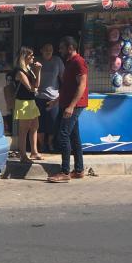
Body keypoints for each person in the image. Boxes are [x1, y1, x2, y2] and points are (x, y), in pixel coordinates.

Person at [47, 36, 88, 182]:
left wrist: (71, 106)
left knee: (63, 135)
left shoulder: (79, 62)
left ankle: (65, 172)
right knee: (74, 137)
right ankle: (79, 170)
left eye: (62, 48)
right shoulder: (70, 62)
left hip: (74, 105)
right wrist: (56, 101)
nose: (60, 50)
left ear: (70, 48)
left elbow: (82, 85)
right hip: (67, 104)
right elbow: (67, 87)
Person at [12, 46, 42, 163]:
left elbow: (37, 85)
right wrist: (35, 88)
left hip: (31, 101)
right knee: (23, 130)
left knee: (35, 126)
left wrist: (38, 71)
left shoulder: (29, 68)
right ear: (24, 56)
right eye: (31, 55)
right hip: (23, 102)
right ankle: (23, 155)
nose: (33, 57)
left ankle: (34, 152)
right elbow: (31, 88)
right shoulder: (20, 71)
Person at [35, 43, 64, 153]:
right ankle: (42, 145)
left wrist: (62, 93)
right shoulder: (36, 61)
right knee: (40, 124)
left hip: (53, 97)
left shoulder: (57, 61)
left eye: (51, 49)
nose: (48, 51)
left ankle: (50, 144)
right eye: (46, 49)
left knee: (53, 123)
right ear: (41, 50)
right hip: (39, 96)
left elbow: (63, 77)